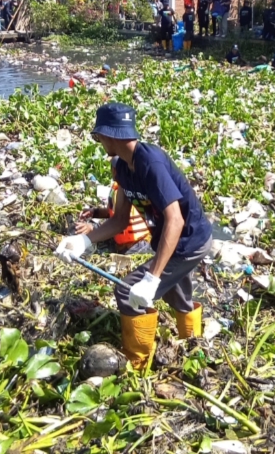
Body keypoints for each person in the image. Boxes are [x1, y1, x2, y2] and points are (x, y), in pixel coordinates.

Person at [56, 103, 212, 369]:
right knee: (178, 294)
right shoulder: (121, 167)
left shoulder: (150, 164)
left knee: (127, 291)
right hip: (172, 239)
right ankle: (193, 348)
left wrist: (152, 277)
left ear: (112, 135)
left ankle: (138, 362)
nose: (99, 141)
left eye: (99, 136)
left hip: (189, 240)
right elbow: (119, 220)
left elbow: (175, 218)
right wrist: (84, 241)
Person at [75, 156, 152, 254]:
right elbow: (111, 212)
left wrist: (92, 228)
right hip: (123, 242)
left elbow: (118, 220)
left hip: (137, 245)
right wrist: (95, 212)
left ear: (115, 170)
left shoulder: (128, 191)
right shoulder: (116, 187)